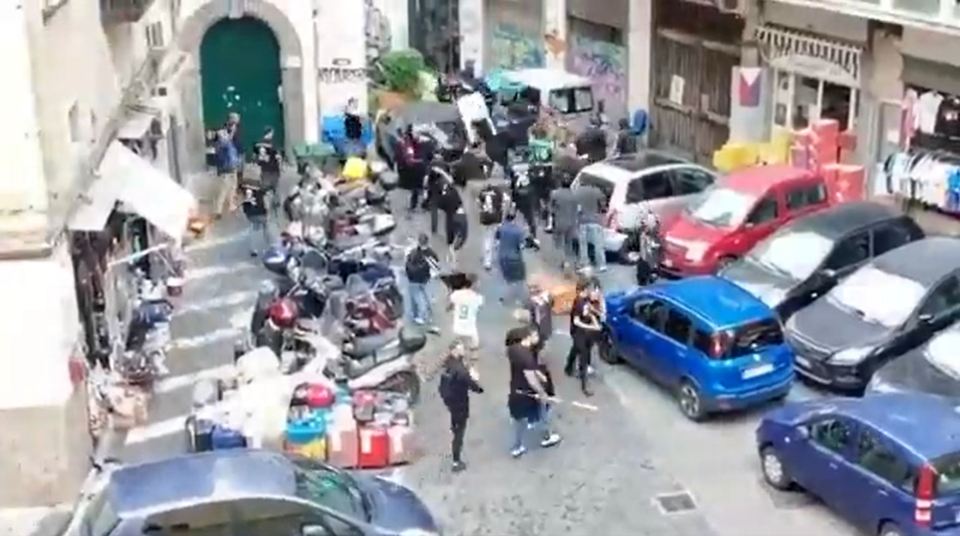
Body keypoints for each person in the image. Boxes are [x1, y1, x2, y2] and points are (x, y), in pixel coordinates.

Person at [507, 326, 562, 458]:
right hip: (528, 392)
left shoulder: (513, 349)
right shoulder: (526, 356)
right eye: (536, 337)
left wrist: (538, 373)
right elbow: (531, 379)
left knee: (520, 420)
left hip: (516, 390)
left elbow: (529, 369)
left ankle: (517, 446)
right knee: (543, 409)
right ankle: (546, 436)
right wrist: (543, 393)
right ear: (529, 336)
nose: (537, 340)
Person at [438, 340, 484, 472]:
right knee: (459, 434)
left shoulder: (449, 364)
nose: (463, 350)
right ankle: (456, 461)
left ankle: (454, 427)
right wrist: (477, 382)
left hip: (450, 401)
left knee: (456, 422)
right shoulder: (460, 370)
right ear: (454, 351)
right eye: (461, 349)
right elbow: (473, 385)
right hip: (460, 403)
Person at [569, 282, 603, 397]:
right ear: (583, 290)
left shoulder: (586, 300)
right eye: (589, 289)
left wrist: (596, 315)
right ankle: (585, 386)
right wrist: (593, 326)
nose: (591, 291)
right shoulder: (578, 303)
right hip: (578, 332)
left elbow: (589, 310)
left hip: (586, 332)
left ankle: (568, 368)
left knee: (576, 349)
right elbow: (576, 322)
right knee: (584, 355)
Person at [404, 234, 441, 334]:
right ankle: (427, 316)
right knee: (426, 298)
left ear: (418, 242)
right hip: (425, 279)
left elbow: (407, 265)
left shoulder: (413, 253)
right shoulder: (431, 254)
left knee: (415, 299)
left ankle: (417, 316)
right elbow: (437, 268)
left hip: (413, 280)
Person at [448, 273, 483, 360]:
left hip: (458, 326)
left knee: (459, 341)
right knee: (474, 341)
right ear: (473, 284)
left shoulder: (456, 294)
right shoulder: (478, 298)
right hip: (470, 326)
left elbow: (449, 307)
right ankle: (474, 355)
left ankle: (459, 351)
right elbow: (480, 307)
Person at [495, 212, 528, 306]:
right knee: (520, 279)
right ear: (515, 219)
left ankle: (503, 298)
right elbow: (522, 246)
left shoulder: (500, 228)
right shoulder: (518, 231)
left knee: (506, 279)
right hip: (515, 258)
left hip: (502, 257)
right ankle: (519, 299)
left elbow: (497, 242)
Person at [575, 181, 608, 272]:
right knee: (598, 244)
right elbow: (603, 205)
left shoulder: (577, 192)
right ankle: (601, 264)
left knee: (583, 245)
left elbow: (576, 207)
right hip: (595, 220)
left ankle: (585, 263)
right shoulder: (597, 191)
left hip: (582, 221)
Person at [478, 183, 510, 270]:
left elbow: (478, 203)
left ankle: (487, 261)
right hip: (496, 217)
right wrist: (503, 214)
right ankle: (498, 253)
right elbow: (507, 201)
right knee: (495, 236)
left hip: (486, 219)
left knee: (487, 238)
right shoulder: (498, 192)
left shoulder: (482, 193)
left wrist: (482, 210)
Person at [396, 126, 425, 216]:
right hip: (413, 170)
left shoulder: (405, 143)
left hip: (412, 170)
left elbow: (408, 158)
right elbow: (409, 158)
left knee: (415, 189)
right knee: (415, 189)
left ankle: (414, 206)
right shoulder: (406, 143)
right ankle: (414, 206)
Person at [253, 127, 282, 216]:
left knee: (264, 188)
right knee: (275, 187)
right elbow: (278, 157)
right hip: (273, 169)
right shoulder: (272, 144)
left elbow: (254, 157)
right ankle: (275, 203)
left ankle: (262, 204)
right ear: (270, 133)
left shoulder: (257, 144)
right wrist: (280, 166)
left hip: (264, 169)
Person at [549, 184, 579, 271]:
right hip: (571, 223)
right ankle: (568, 262)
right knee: (568, 244)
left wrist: (554, 213)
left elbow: (551, 208)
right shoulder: (574, 195)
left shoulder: (555, 193)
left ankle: (562, 261)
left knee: (558, 243)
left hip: (559, 222)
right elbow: (576, 209)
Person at [439, 180, 467, 266]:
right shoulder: (455, 192)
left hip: (450, 218)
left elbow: (441, 206)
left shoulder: (444, 196)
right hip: (460, 216)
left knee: (450, 239)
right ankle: (453, 256)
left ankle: (452, 259)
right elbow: (460, 203)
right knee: (459, 237)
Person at [214, 129, 241, 218]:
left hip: (232, 169)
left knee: (232, 189)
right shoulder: (222, 145)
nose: (226, 135)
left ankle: (231, 206)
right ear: (220, 137)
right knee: (224, 191)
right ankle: (218, 211)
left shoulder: (226, 144)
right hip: (226, 171)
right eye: (224, 134)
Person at [240, 181, 270, 257]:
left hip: (251, 215)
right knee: (266, 228)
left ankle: (253, 249)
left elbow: (245, 208)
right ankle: (269, 246)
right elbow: (267, 205)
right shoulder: (262, 193)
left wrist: (247, 214)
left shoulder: (246, 194)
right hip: (262, 214)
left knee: (253, 230)